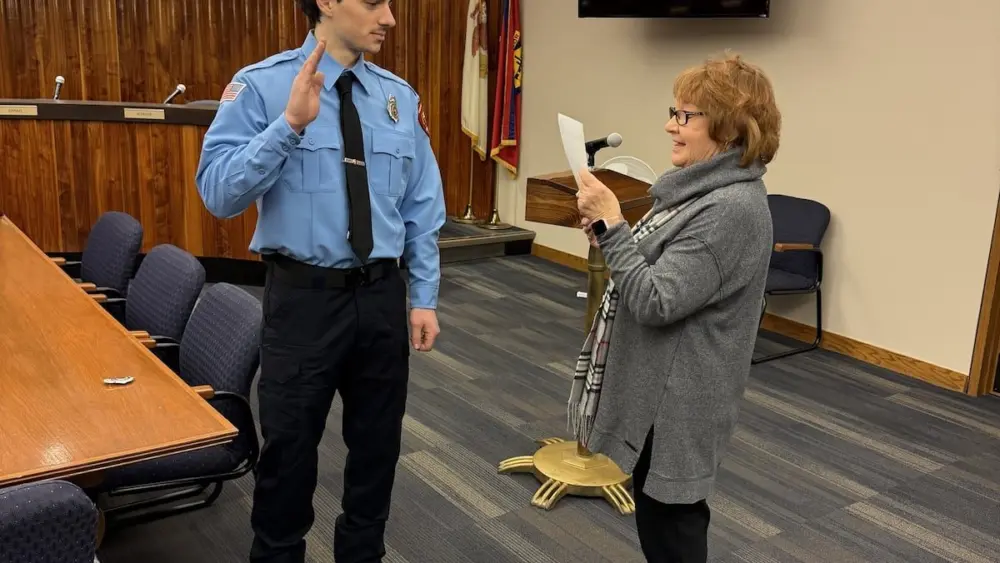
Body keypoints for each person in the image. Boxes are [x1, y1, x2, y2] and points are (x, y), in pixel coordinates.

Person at [194, 0, 446, 561]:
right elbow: (217, 194)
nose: (390, 18)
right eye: (374, 2)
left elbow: (421, 206)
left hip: (382, 297)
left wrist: (423, 295)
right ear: (327, 2)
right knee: (288, 455)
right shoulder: (261, 86)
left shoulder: (398, 98)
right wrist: (287, 127)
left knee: (378, 451)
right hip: (303, 302)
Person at [569, 52, 781, 563]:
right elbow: (662, 265)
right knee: (659, 520)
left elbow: (656, 300)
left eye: (686, 115)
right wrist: (609, 235)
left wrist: (615, 226)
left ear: (728, 130)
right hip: (661, 391)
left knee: (673, 529)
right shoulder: (700, 192)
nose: (671, 125)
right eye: (675, 111)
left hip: (681, 401)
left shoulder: (729, 209)